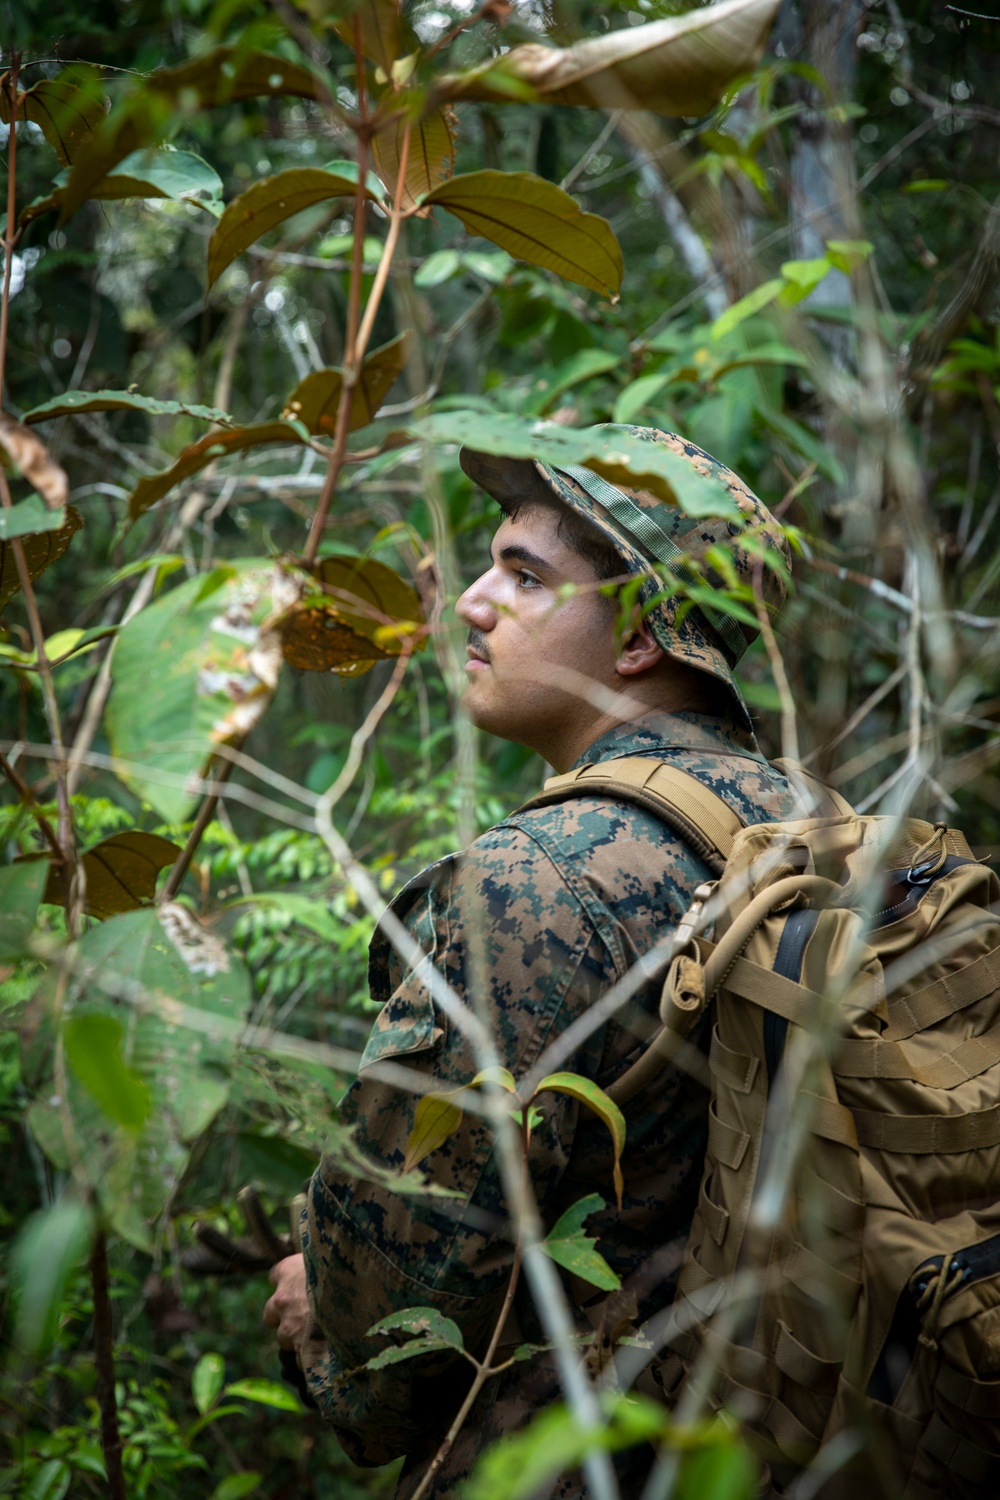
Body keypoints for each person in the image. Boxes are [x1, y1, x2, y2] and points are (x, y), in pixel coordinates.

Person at [263, 427, 796, 1496]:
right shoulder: (812, 825)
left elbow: (385, 1347)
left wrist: (314, 1304)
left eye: (523, 574)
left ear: (642, 633)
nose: (468, 601)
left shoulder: (532, 880)